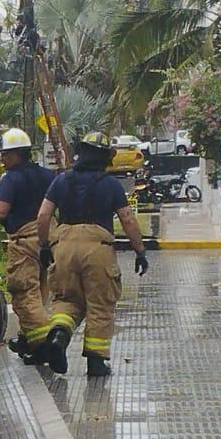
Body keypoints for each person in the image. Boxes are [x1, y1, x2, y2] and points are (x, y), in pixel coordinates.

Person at [35, 131, 150, 378]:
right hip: (98, 247)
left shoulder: (61, 181)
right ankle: (96, 363)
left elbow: (43, 216)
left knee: (66, 300)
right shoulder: (111, 185)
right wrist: (140, 251)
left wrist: (44, 246)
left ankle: (58, 336)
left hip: (63, 246)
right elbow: (127, 219)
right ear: (105, 158)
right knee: (100, 303)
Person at [0, 128, 55, 361]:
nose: (2, 159)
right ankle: (28, 339)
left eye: (5, 154)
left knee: (24, 293)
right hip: (49, 239)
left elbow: (1, 212)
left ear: (17, 154)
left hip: (24, 240)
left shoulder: (11, 179)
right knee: (41, 291)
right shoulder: (48, 175)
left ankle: (44, 345)